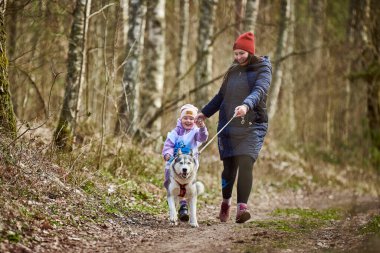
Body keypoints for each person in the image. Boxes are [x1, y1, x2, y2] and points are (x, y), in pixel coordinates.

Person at [196, 32, 272, 223]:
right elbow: (221, 96)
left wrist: (246, 105)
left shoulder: (263, 68)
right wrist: (204, 113)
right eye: (235, 54)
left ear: (250, 52)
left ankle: (242, 208)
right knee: (229, 167)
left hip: (253, 123)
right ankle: (225, 203)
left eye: (242, 54)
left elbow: (260, 91)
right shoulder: (232, 70)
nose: (238, 58)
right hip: (229, 123)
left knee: (246, 162)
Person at [162, 103, 208, 221]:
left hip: (190, 165)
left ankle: (184, 205)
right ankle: (176, 202)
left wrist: (202, 127)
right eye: (185, 118)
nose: (188, 120)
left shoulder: (196, 132)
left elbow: (202, 138)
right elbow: (168, 145)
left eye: (191, 118)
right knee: (172, 184)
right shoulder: (175, 133)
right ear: (181, 119)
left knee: (187, 184)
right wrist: (167, 154)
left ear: (195, 120)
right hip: (173, 163)